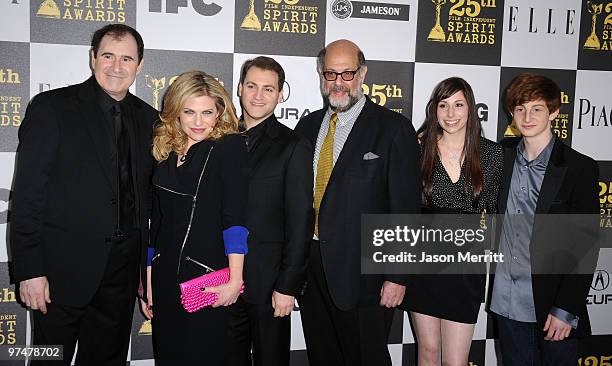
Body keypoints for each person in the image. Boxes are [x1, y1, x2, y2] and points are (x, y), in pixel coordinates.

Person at [10, 24, 157, 365]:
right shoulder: (53, 108)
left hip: (121, 275)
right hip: (61, 273)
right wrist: (30, 270)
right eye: (108, 56)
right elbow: (29, 196)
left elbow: (148, 202)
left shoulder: (150, 120)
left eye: (126, 58)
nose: (117, 67)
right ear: (92, 59)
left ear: (140, 64)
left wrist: (143, 273)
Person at [294, 39, 421, 366]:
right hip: (312, 268)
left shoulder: (393, 129)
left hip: (367, 275)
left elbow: (406, 208)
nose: (338, 82)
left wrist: (398, 275)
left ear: (362, 73)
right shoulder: (306, 128)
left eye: (347, 73)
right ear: (321, 76)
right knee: (324, 357)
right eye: (330, 74)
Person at [489, 73, 599, 366]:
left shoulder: (579, 168)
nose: (527, 116)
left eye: (536, 108)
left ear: (554, 111)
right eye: (520, 108)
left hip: (553, 306)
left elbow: (586, 246)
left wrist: (566, 308)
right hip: (507, 302)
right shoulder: (500, 157)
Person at [140, 70, 248, 364]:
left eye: (207, 112)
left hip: (205, 278)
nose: (198, 122)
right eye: (189, 112)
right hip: (164, 279)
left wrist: (235, 280)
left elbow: (235, 217)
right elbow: (157, 223)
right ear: (176, 111)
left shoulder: (228, 147)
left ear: (219, 112)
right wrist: (149, 281)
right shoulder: (167, 150)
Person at [405, 77, 503, 366]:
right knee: (428, 351)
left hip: (465, 267)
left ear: (471, 109)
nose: (450, 114)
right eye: (443, 105)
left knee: (456, 361)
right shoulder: (418, 149)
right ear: (433, 110)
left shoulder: (492, 154)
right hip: (421, 263)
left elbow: (497, 213)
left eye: (459, 105)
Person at [226, 56, 313, 366]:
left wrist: (287, 286)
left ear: (280, 95)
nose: (258, 95)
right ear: (239, 89)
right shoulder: (219, 139)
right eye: (251, 86)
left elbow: (301, 221)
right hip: (222, 279)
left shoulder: (293, 146)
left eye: (268, 88)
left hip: (268, 283)